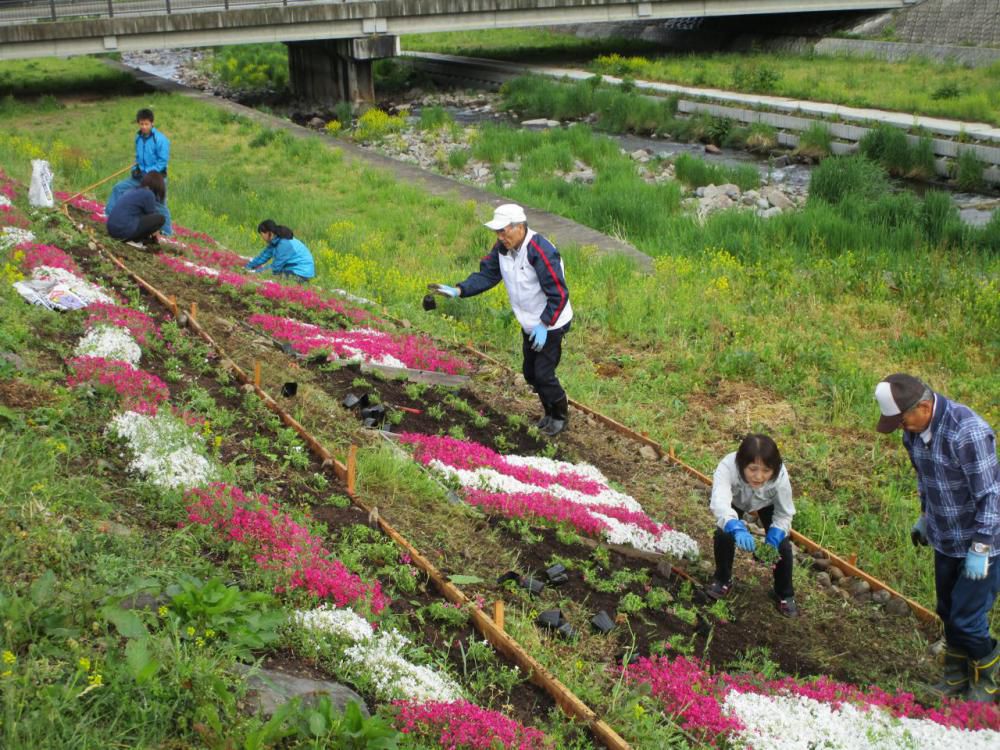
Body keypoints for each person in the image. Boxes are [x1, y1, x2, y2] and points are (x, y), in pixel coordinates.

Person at [875, 373, 999, 702]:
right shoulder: (913, 434)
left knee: (966, 618)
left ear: (925, 406)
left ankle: (989, 678)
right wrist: (925, 516)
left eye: (902, 420)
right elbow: (926, 479)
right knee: (947, 611)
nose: (901, 428)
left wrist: (982, 546)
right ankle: (956, 678)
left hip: (984, 543)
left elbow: (991, 495)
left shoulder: (967, 432)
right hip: (946, 538)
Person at [430, 203, 573, 437]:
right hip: (529, 322)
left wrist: (545, 324)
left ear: (519, 227)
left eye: (503, 231)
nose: (499, 236)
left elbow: (558, 293)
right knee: (530, 373)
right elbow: (487, 275)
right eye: (497, 232)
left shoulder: (541, 251)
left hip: (551, 323)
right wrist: (459, 290)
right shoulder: (503, 248)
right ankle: (548, 412)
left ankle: (559, 415)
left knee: (544, 374)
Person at [706, 433, 798, 617]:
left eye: (766, 471)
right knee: (724, 533)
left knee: (783, 545)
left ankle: (784, 593)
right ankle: (722, 579)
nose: (759, 476)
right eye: (753, 469)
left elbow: (785, 512)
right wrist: (735, 525)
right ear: (741, 464)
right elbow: (720, 502)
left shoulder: (780, 477)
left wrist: (775, 534)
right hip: (736, 500)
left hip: (766, 503)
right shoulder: (727, 467)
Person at [105, 108, 172, 236]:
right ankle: (109, 216)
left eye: (146, 124)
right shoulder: (138, 137)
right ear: (138, 123)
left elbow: (162, 162)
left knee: (160, 205)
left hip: (156, 178)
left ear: (152, 123)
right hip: (139, 176)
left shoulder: (161, 140)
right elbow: (138, 158)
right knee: (118, 188)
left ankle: (167, 233)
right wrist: (135, 169)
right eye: (141, 124)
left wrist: (146, 171)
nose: (144, 127)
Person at [244, 220, 316, 283]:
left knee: (269, 279)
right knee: (268, 276)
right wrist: (247, 268)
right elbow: (263, 257)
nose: (262, 237)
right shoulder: (275, 241)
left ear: (270, 233)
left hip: (301, 273)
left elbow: (275, 267)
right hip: (291, 270)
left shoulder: (284, 244)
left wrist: (255, 272)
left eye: (262, 234)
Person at [106, 172, 166, 244]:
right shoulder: (149, 194)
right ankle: (135, 240)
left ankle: (137, 238)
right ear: (158, 186)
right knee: (161, 219)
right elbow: (152, 216)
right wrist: (157, 234)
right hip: (123, 232)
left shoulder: (133, 190)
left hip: (112, 230)